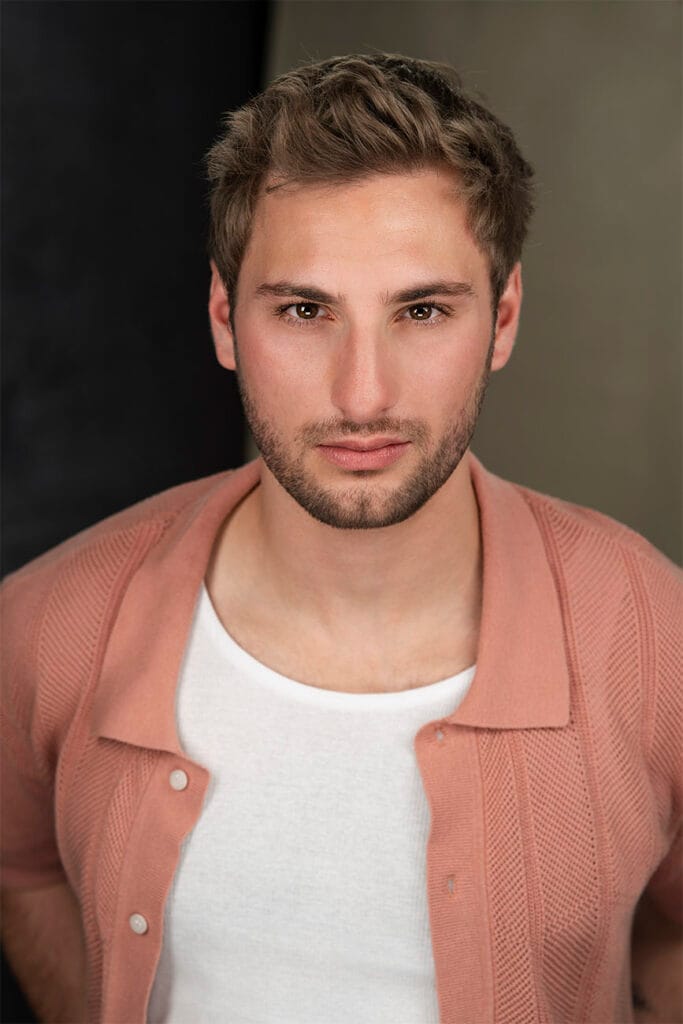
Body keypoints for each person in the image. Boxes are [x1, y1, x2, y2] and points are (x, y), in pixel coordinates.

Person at [1, 52, 681, 1024]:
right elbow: (20, 864)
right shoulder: (46, 623)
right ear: (224, 319)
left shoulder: (655, 635)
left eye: (422, 311)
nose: (362, 395)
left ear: (502, 319)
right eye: (304, 310)